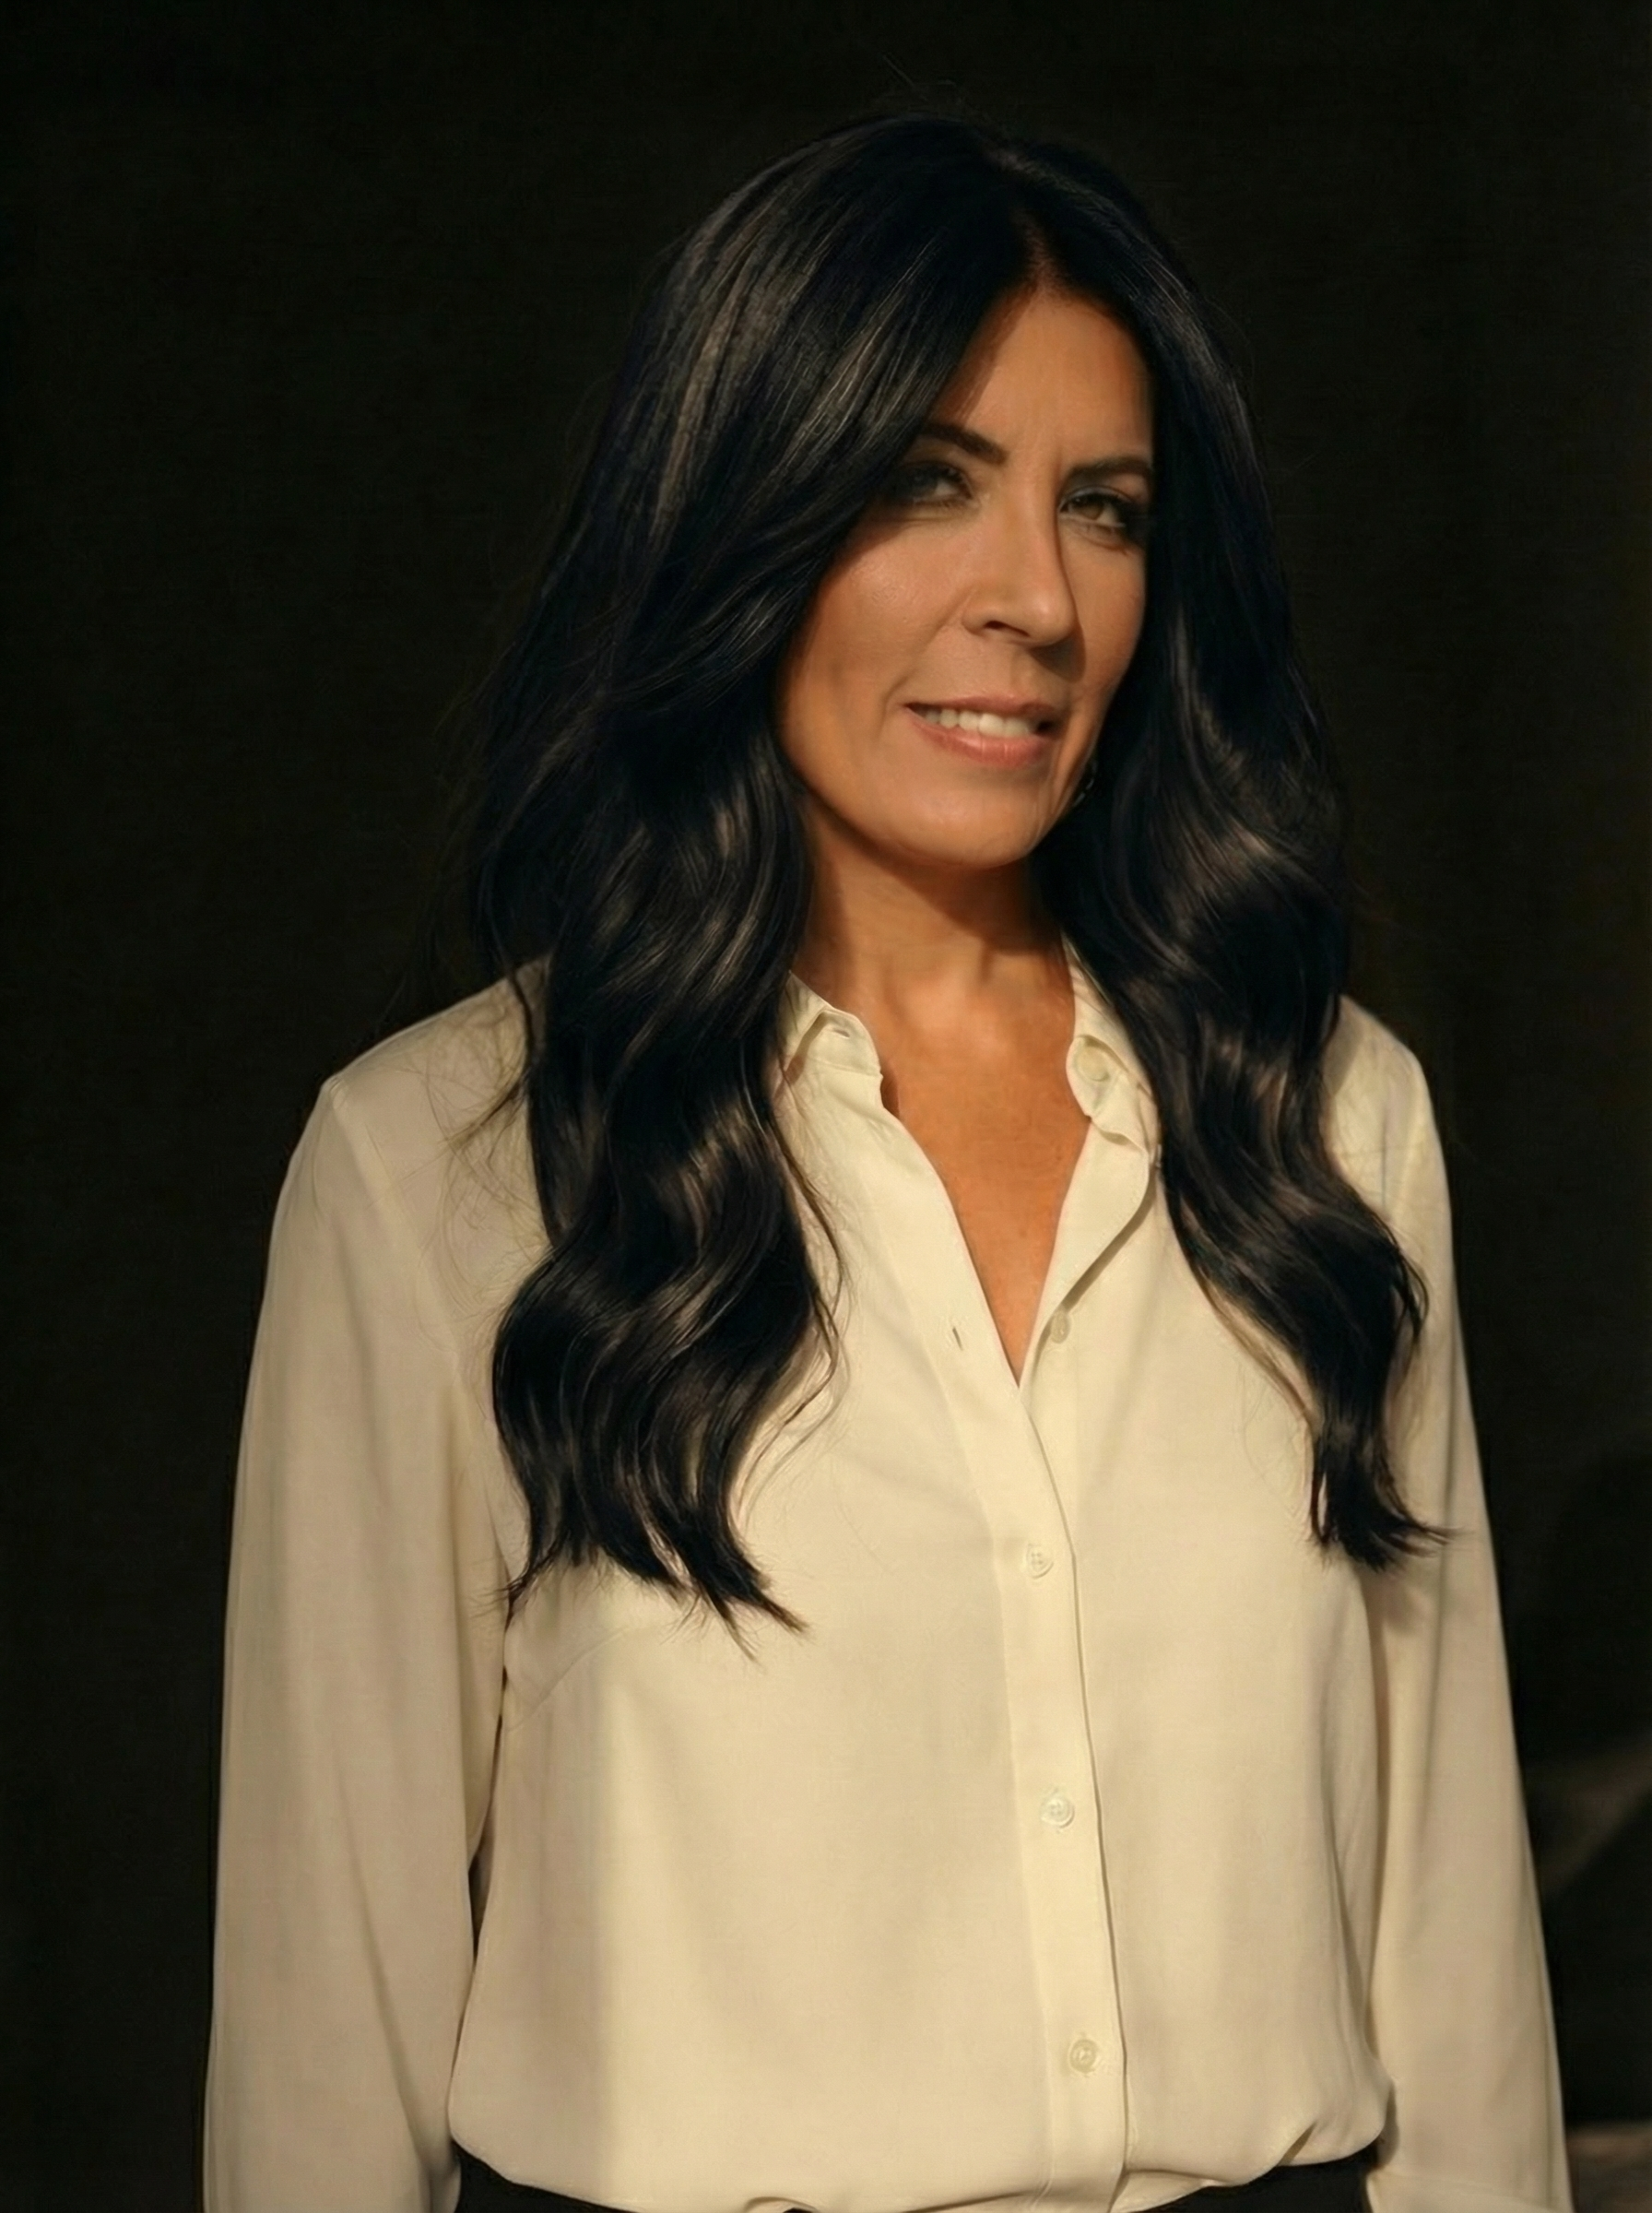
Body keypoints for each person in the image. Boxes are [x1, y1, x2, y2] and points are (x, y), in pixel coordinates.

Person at [203, 113, 1572, 2213]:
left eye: (1098, 509)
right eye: (925, 483)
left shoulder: (1321, 1119)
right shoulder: (443, 1172)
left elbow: (1451, 1951)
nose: (1030, 597)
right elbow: (324, 2035)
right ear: (742, 521)